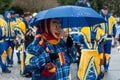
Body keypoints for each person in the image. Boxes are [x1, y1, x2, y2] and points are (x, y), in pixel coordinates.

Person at [99, 6, 117, 72]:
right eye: (104, 10)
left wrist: (114, 37)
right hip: (100, 38)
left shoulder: (111, 18)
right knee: (100, 52)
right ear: (101, 10)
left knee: (107, 53)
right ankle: (99, 66)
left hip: (108, 38)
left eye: (106, 10)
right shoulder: (98, 17)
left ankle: (106, 66)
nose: (105, 11)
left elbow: (114, 27)